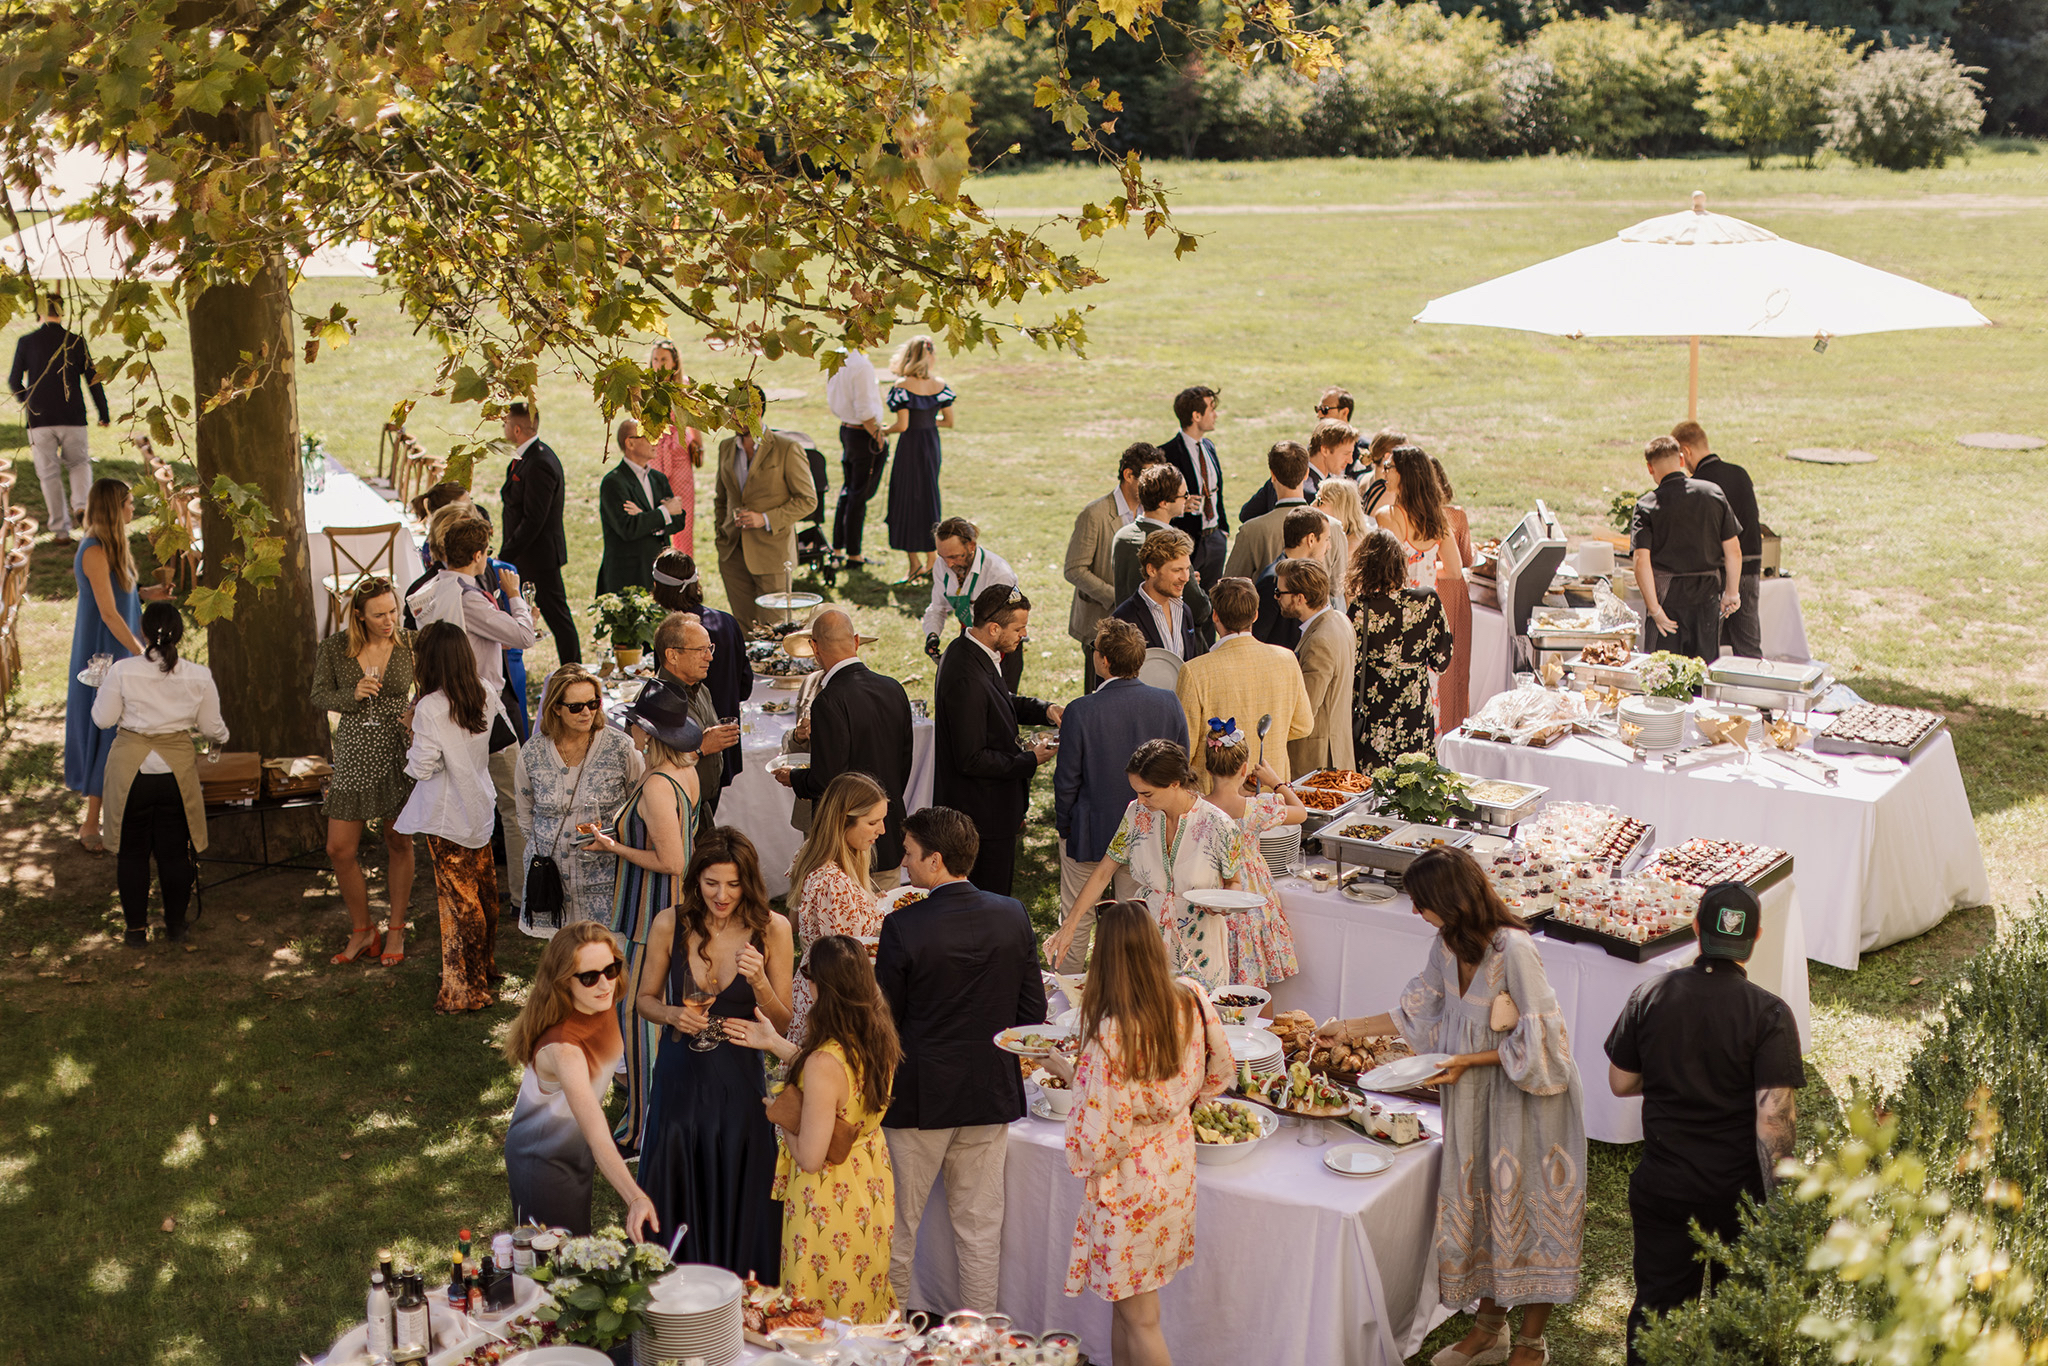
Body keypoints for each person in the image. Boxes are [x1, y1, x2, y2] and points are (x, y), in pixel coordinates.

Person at [1315, 848, 1585, 1366]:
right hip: (1474, 1097)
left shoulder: (1514, 948)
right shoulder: (1446, 946)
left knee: (1531, 1208)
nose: (1416, 911)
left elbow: (1546, 1043)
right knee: (1485, 1204)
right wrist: (1345, 1028)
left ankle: (1531, 1344)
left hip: (1529, 1100)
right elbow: (1414, 1011)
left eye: (1422, 902)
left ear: (1451, 900)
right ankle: (1488, 1330)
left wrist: (1466, 1059)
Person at [1606, 881, 1804, 1366]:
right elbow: (1773, 1120)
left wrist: (1673, 1077)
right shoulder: (1769, 1013)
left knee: (1658, 1315)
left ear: (1696, 929)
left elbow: (1620, 1082)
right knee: (1741, 1324)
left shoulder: (1651, 994)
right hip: (1739, 1194)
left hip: (1665, 1186)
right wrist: (1781, 1207)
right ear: (1755, 938)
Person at [1035, 900, 1233, 1364]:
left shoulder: (1112, 1031)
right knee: (1126, 1309)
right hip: (1176, 1164)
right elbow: (1222, 1070)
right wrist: (1176, 1107)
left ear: (1103, 957)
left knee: (1141, 1318)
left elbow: (1100, 1136)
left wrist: (1068, 1073)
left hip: (1129, 1182)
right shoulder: (1191, 996)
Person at [875, 806, 1048, 1314]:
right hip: (988, 1091)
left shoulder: (902, 925)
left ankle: (891, 1339)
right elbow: (1032, 1014)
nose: (904, 862)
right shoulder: (1013, 914)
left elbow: (885, 1022)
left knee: (897, 1230)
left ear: (936, 860)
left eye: (909, 853)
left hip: (919, 1095)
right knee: (979, 1230)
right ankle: (980, 1340)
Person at [635, 828, 796, 1279]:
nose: (722, 896)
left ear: (749, 882)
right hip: (680, 1081)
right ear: (696, 880)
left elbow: (783, 1022)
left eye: (733, 884)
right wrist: (671, 1014)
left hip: (738, 1084)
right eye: (711, 883)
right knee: (677, 1184)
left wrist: (759, 982)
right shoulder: (670, 924)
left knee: (739, 1188)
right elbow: (643, 1000)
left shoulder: (773, 929)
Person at [727, 934, 903, 1323]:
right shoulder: (877, 1035)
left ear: (820, 986)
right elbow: (839, 1085)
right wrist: (775, 1043)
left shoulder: (823, 1062)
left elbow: (809, 1157)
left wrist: (783, 1115)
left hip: (828, 1198)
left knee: (818, 1314)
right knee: (863, 1298)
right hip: (870, 1183)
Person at [590, 680, 702, 1152]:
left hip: (651, 914)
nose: (630, 729)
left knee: (639, 1015)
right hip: (674, 908)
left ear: (648, 733)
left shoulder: (657, 785)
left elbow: (672, 860)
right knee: (670, 1012)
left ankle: (643, 1128)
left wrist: (614, 847)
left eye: (635, 723)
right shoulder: (684, 771)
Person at [408, 513, 538, 913]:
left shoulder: (429, 591)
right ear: (480, 555)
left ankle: (479, 890)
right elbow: (523, 636)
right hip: (479, 710)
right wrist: (515, 597)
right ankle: (521, 896)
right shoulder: (470, 598)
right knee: (514, 803)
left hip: (442, 706)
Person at [1044, 740, 1245, 991]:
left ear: (1174, 783)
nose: (1139, 801)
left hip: (1201, 945)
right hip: (1147, 939)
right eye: (1136, 792)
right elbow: (1103, 872)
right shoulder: (1136, 814)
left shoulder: (1220, 826)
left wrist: (1222, 904)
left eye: (1147, 793)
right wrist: (1069, 925)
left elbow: (1234, 883)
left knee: (1197, 1012)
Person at [503, 922, 660, 1240]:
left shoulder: (600, 1003)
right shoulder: (564, 1050)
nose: (604, 984)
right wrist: (635, 1198)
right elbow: (597, 1131)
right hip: (543, 1160)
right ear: (564, 982)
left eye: (611, 969)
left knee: (575, 1247)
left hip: (575, 1149)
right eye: (589, 977)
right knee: (554, 1258)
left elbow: (607, 1068)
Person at [1052, 618, 1188, 972]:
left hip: (1089, 832)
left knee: (1077, 915)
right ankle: (1133, 987)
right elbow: (1180, 768)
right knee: (1136, 921)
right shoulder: (1168, 703)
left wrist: (1065, 828)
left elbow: (1066, 781)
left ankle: (1066, 990)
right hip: (1150, 830)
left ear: (1104, 661)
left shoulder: (1081, 710)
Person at [91, 601, 227, 946]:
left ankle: (135, 931)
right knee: (175, 851)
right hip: (175, 772)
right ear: (180, 633)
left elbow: (103, 719)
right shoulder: (198, 675)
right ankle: (176, 926)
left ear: (144, 632)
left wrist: (100, 689)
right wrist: (222, 737)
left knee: (132, 852)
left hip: (131, 771)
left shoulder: (122, 671)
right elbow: (212, 728)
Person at [394, 620, 502, 1014]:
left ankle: (466, 988)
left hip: (447, 816)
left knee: (460, 903)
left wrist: (410, 730)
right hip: (479, 804)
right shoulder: (485, 691)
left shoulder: (430, 708)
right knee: (485, 894)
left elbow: (423, 767)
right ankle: (485, 966)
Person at [311, 577, 418, 966]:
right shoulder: (334, 648)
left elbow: (431, 690)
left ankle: (396, 928)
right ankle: (363, 929)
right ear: (358, 615)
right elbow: (319, 695)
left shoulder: (410, 643)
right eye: (378, 615)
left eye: (393, 611)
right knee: (339, 848)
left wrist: (415, 713)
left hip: (398, 749)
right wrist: (351, 695)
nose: (389, 621)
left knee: (398, 841)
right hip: (355, 749)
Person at [931, 585, 1062, 897]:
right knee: (989, 898)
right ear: (993, 628)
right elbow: (971, 758)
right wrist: (1030, 759)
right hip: (982, 818)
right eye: (1018, 628)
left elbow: (999, 699)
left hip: (988, 812)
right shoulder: (966, 677)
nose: (1024, 634)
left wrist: (1045, 710)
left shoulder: (972, 651)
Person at [778, 609, 914, 876]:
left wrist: (794, 778)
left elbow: (827, 781)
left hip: (848, 845)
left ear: (814, 647)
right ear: (856, 641)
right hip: (888, 833)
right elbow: (904, 763)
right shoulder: (894, 688)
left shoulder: (828, 701)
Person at [514, 664, 646, 935]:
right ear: (556, 708)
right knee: (562, 953)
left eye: (593, 703)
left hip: (605, 878)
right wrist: (544, 848)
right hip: (552, 879)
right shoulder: (532, 752)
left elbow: (639, 807)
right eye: (576, 707)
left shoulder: (621, 748)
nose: (587, 712)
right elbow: (524, 813)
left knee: (608, 950)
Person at [66, 477, 147, 851]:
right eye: (129, 502)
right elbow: (108, 613)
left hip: (121, 649)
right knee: (107, 734)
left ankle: (123, 813)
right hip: (104, 654)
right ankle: (90, 824)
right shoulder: (94, 550)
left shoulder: (114, 546)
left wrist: (149, 593)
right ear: (115, 507)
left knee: (126, 734)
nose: (133, 507)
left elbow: (121, 595)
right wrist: (140, 652)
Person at [1173, 576, 1313, 789]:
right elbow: (1303, 726)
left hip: (1215, 796)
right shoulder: (1286, 659)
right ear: (1255, 615)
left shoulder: (1195, 671)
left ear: (1215, 616)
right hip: (1272, 791)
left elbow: (1184, 747)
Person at [785, 772, 891, 1040]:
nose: (882, 830)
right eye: (873, 822)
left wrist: (872, 905)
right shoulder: (834, 883)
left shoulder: (810, 852)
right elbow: (847, 964)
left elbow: (795, 921)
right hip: (837, 1005)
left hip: (810, 987)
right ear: (843, 821)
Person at [1195, 724, 1303, 988]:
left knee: (1213, 980)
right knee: (1254, 987)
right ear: (1244, 770)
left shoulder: (1196, 807)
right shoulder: (1255, 809)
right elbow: (1300, 812)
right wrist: (1275, 781)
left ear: (1208, 768)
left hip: (1211, 891)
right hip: (1250, 893)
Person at [1630, 435, 1742, 665]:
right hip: (1707, 598)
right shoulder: (1713, 493)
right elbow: (1734, 551)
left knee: (1662, 674)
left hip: (1667, 601)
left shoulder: (1646, 505)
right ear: (1681, 459)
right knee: (1702, 671)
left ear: (1650, 468)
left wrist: (1654, 609)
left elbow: (1641, 561)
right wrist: (1732, 592)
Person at [714, 388, 819, 632]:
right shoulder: (725, 447)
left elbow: (807, 500)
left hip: (773, 553)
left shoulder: (787, 448)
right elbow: (721, 498)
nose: (733, 417)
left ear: (758, 409)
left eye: (739, 411)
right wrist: (721, 533)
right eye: (730, 411)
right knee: (743, 630)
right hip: (732, 551)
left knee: (774, 630)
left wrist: (765, 518)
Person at [1350, 528, 1454, 774]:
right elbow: (1441, 661)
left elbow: (1351, 663)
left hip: (1373, 712)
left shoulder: (1360, 609)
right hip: (1414, 708)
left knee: (1372, 785)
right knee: (1416, 782)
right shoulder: (1428, 600)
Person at [10, 292, 108, 544]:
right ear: (62, 312)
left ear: (40, 312)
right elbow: (93, 380)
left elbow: (14, 381)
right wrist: (103, 412)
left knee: (48, 474)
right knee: (79, 464)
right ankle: (81, 507)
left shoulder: (27, 342)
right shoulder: (75, 341)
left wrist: (28, 402)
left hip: (39, 419)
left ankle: (61, 530)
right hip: (72, 416)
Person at [1064, 443, 1159, 693]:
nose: (1154, 483)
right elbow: (1074, 569)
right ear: (1128, 475)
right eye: (1148, 476)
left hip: (1139, 626)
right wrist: (1117, 597)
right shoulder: (1094, 515)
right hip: (1100, 625)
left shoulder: (1151, 512)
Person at [1672, 421, 1765, 660]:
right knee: (1748, 646)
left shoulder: (1699, 485)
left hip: (1718, 573)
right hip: (1751, 566)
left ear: (1686, 451)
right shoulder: (1740, 473)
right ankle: (1753, 683)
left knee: (1708, 648)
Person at [498, 400, 579, 663]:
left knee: (558, 618)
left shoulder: (540, 462)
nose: (503, 428)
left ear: (517, 429)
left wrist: (505, 554)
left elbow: (534, 518)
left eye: (505, 424)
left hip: (538, 558)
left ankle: (574, 669)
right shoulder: (526, 457)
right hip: (526, 555)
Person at [651, 611, 742, 825]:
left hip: (702, 810)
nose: (709, 657)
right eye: (700, 650)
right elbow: (652, 767)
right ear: (672, 655)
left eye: (710, 648)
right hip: (674, 817)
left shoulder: (701, 690)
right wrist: (702, 747)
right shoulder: (655, 702)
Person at [1110, 464, 1215, 638]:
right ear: (1164, 503)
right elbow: (1200, 609)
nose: (1187, 499)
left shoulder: (1121, 537)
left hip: (1128, 637)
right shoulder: (1173, 544)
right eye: (1184, 495)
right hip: (1167, 640)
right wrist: (1192, 585)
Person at [649, 551, 753, 727]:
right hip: (729, 730)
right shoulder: (728, 621)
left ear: (658, 587)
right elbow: (745, 687)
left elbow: (663, 694)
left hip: (689, 736)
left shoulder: (670, 635)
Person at [882, 337, 955, 584]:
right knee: (928, 498)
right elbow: (949, 421)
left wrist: (884, 430)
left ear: (909, 356)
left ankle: (914, 564)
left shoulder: (902, 385)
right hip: (931, 446)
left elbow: (902, 425)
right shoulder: (940, 385)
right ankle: (932, 560)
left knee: (905, 499)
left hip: (910, 447)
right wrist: (927, 421)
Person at [920, 516, 1020, 689]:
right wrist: (932, 634)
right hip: (971, 641)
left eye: (954, 557)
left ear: (971, 546)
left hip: (1002, 643)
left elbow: (1008, 624)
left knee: (1001, 701)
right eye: (942, 556)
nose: (948, 564)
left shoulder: (998, 573)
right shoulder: (942, 565)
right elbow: (938, 607)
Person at [596, 417, 690, 596]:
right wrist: (664, 512)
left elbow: (679, 521)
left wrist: (646, 516)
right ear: (630, 443)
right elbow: (628, 528)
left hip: (658, 575)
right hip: (627, 576)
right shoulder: (613, 482)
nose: (656, 440)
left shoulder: (658, 479)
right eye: (648, 435)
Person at [1280, 559, 1356, 775]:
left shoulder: (1318, 641)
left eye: (1280, 593)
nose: (1277, 598)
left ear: (1300, 598)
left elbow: (1306, 710)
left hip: (1319, 761)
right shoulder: (1340, 620)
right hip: (1338, 750)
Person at [826, 345, 890, 568]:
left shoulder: (837, 354)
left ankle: (838, 549)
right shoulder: (861, 365)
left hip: (847, 429)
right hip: (863, 433)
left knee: (849, 492)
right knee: (858, 496)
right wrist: (879, 437)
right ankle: (854, 555)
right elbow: (864, 409)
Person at [1159, 385, 1226, 588]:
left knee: (1212, 599)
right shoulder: (1167, 454)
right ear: (1196, 416)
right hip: (1186, 544)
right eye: (1211, 409)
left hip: (1215, 538)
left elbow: (1218, 491)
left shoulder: (1209, 446)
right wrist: (1181, 505)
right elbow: (1156, 501)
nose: (1216, 415)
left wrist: (1223, 530)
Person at [1431, 456, 1479, 733]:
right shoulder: (1455, 516)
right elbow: (1467, 559)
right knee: (1454, 667)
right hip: (1451, 595)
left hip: (1431, 590)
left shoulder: (1403, 518)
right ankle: (1453, 727)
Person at [644, 340, 705, 558]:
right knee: (655, 512)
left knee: (683, 516)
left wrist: (698, 446)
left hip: (679, 456)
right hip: (654, 454)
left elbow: (695, 420)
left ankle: (683, 564)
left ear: (674, 363)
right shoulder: (646, 387)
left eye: (664, 359)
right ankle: (656, 564)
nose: (658, 364)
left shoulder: (684, 387)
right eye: (655, 359)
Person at [1110, 529, 1207, 662]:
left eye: (1187, 569)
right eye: (1177, 570)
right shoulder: (1124, 619)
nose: (1185, 578)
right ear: (1152, 570)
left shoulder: (1184, 611)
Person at [1222, 441, 1314, 580]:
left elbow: (1230, 583)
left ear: (1272, 474)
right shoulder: (1332, 526)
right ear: (1306, 474)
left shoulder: (1251, 531)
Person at [1250, 507, 1334, 650]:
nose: (1329, 546)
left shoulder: (1307, 575)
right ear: (1311, 539)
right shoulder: (1273, 580)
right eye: (1326, 539)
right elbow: (1258, 638)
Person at [1375, 444, 1455, 592]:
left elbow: (1393, 574)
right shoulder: (1437, 517)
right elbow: (1454, 570)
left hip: (1400, 603)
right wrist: (1426, 568)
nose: (1383, 472)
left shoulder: (1387, 516)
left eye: (1387, 467)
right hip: (1430, 603)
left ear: (1404, 473)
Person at [1314, 476, 1371, 601]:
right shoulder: (1345, 538)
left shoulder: (1353, 547)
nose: (1312, 506)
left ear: (1340, 507)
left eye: (1320, 502)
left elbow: (1350, 599)